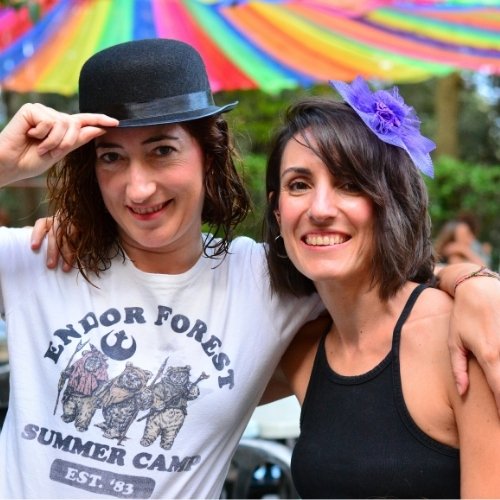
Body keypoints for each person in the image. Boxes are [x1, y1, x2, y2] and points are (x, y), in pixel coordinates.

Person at [0, 39, 499, 499]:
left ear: (209, 155)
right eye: (112, 157)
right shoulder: (34, 258)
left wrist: (470, 282)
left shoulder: (266, 281)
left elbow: (380, 282)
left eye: (162, 151)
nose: (139, 189)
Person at [263, 77, 500, 498]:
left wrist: (471, 280)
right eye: (299, 185)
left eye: (349, 184)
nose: (320, 209)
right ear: (278, 212)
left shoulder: (463, 338)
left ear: (390, 202)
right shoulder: (299, 350)